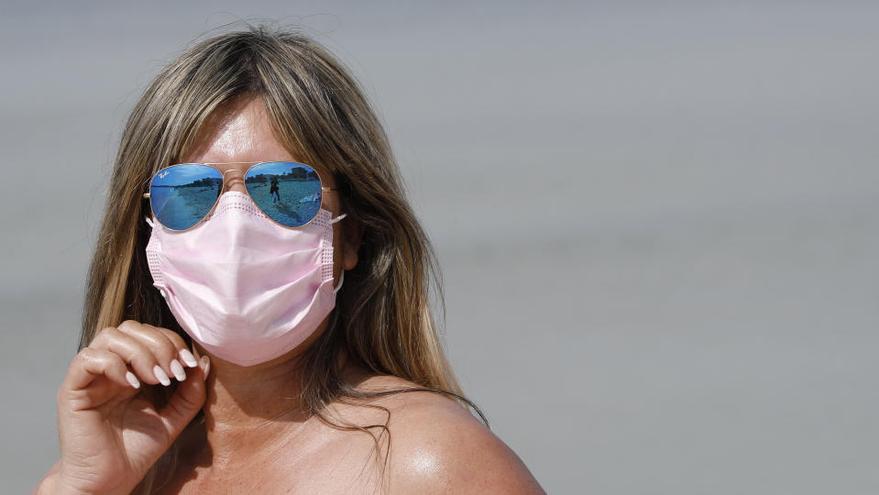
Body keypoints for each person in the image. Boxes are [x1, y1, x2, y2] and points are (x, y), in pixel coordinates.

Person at [34, 25, 544, 494]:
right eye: (188, 191)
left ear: (352, 235)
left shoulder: (428, 464)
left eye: (284, 187)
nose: (235, 229)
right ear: (146, 227)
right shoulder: (115, 466)